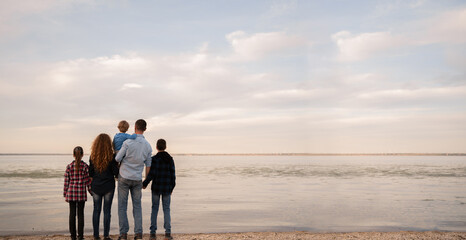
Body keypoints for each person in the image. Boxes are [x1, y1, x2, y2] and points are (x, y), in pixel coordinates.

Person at [115, 119, 152, 240]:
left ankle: (123, 234)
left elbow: (117, 158)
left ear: (135, 127)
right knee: (137, 206)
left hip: (124, 177)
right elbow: (148, 166)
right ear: (145, 129)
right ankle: (138, 233)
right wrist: (146, 182)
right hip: (137, 179)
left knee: (122, 206)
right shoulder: (148, 146)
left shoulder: (128, 142)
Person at [143, 139, 176, 240]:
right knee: (166, 209)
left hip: (156, 187)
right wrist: (172, 187)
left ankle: (152, 233)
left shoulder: (154, 159)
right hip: (167, 187)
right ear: (165, 147)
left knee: (154, 209)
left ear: (157, 147)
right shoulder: (170, 159)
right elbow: (173, 175)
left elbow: (151, 175)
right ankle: (168, 233)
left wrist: (144, 183)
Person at [89, 134, 119, 240]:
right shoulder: (112, 156)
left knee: (96, 210)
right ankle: (106, 235)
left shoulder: (92, 156)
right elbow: (116, 173)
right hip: (108, 186)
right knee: (107, 211)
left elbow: (90, 173)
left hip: (96, 186)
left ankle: (96, 236)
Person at [64, 146, 91, 240]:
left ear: (73, 155)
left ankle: (73, 236)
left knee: (72, 215)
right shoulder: (85, 166)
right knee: (80, 215)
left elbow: (66, 182)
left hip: (71, 193)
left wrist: (65, 193)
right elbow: (88, 181)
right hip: (81, 194)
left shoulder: (69, 166)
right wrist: (91, 192)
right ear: (83, 155)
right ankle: (80, 236)